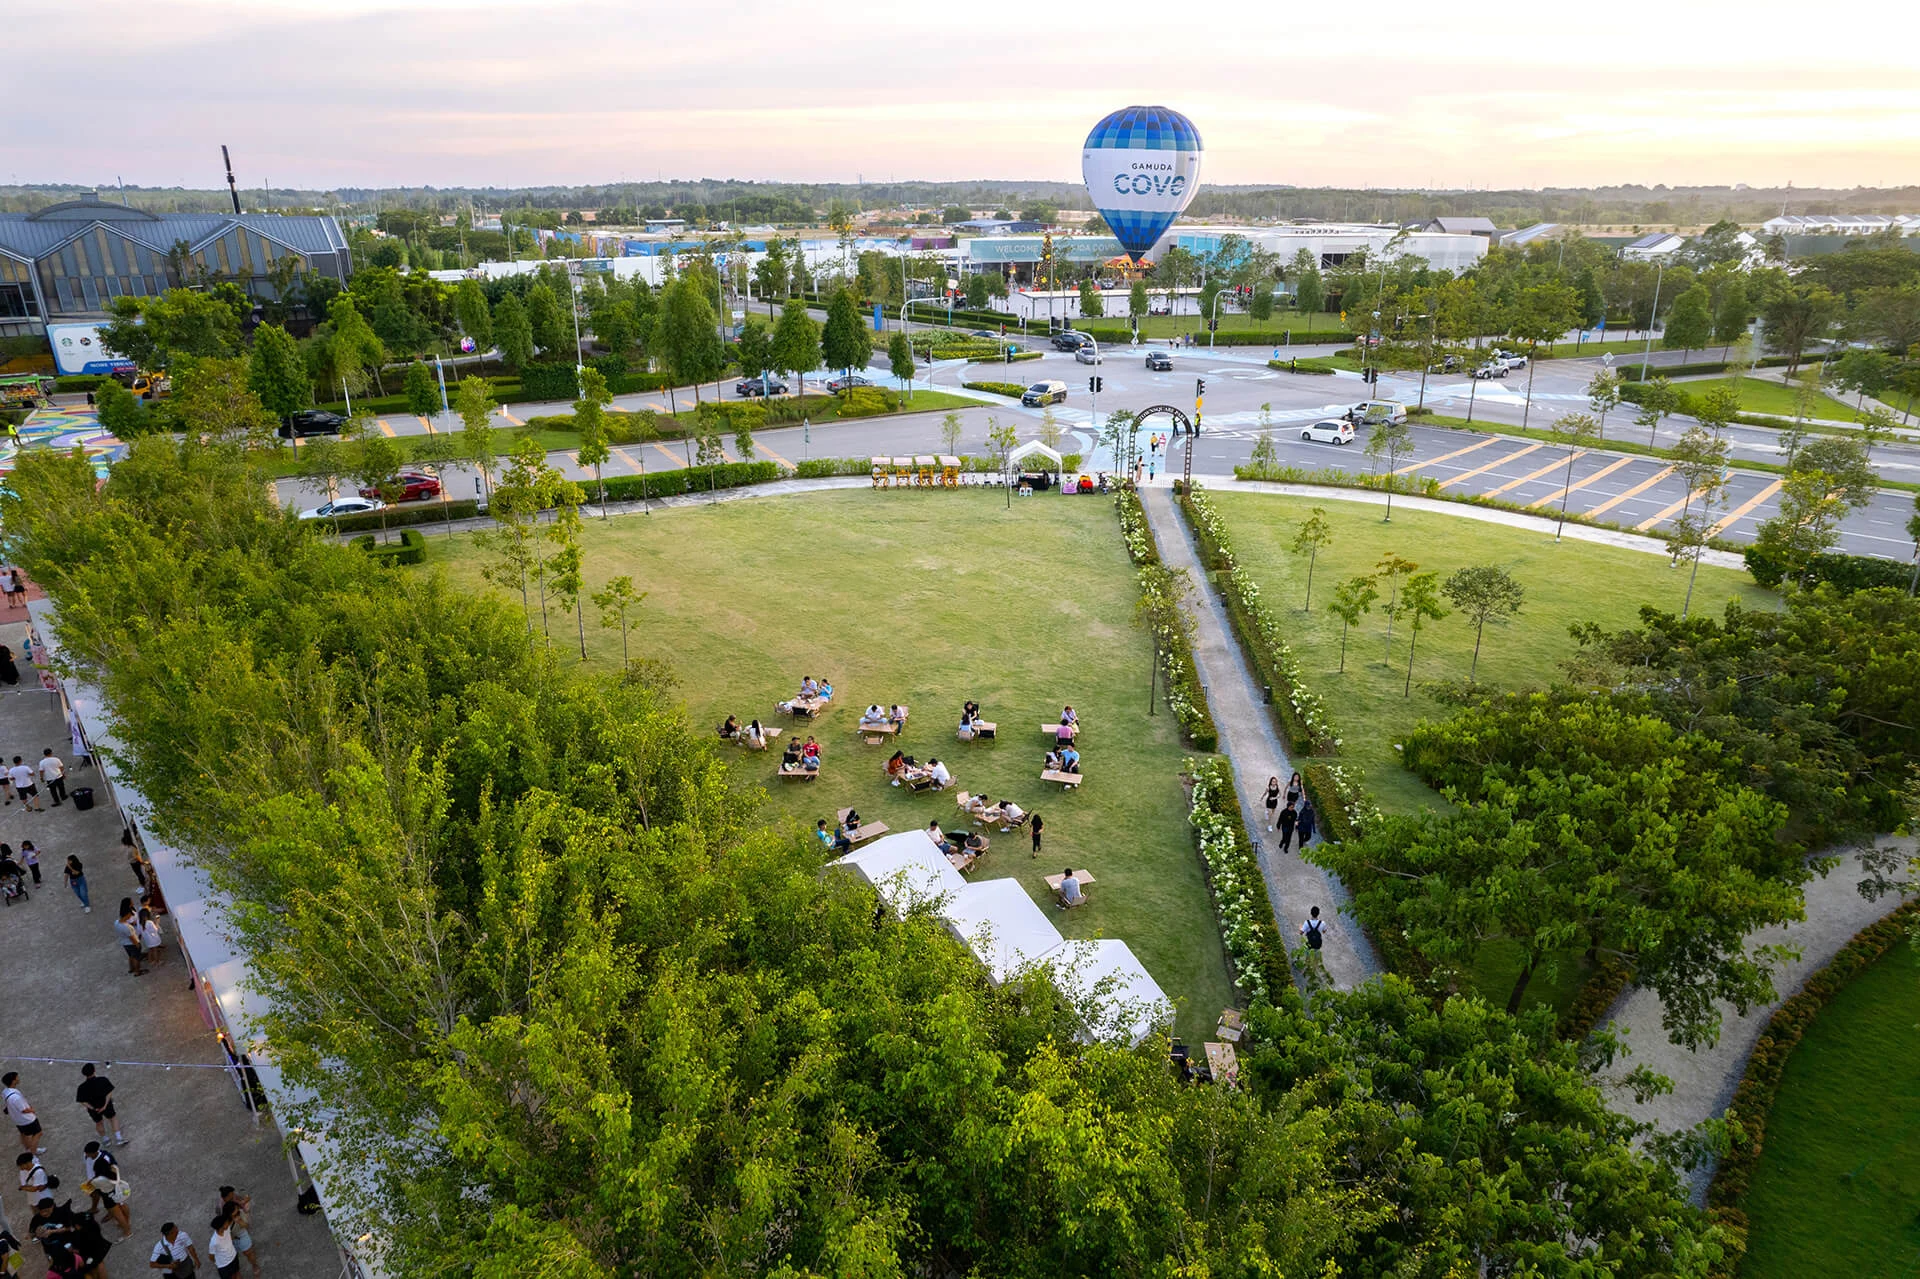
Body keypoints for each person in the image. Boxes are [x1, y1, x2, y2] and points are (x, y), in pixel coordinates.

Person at [74, 1067, 124, 1147]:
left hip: (93, 1109)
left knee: (99, 1122)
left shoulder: (81, 1087)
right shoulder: (103, 1080)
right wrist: (105, 1105)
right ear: (94, 1071)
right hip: (106, 1105)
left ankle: (106, 1140)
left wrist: (93, 1108)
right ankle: (119, 1138)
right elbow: (109, 1093)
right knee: (113, 1118)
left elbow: (82, 1101)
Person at [215, 1189, 258, 1279]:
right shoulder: (223, 1220)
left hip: (241, 1235)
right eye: (235, 1214)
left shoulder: (240, 1214)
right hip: (230, 1241)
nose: (237, 1214)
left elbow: (246, 1226)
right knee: (233, 1261)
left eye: (238, 1212)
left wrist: (240, 1221)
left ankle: (254, 1265)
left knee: (249, 1253)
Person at [3, 1075, 41, 1154]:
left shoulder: (5, 1092)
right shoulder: (16, 1098)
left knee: (23, 1134)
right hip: (27, 1119)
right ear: (13, 1081)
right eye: (16, 1078)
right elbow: (24, 1110)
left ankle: (28, 1149)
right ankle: (32, 1154)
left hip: (17, 1120)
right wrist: (32, 1110)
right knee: (38, 1133)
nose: (18, 1078)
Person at [117, 900, 147, 976]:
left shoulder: (117, 922)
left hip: (124, 943)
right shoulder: (127, 927)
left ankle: (131, 968)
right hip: (132, 944)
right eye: (130, 915)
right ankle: (137, 971)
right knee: (136, 958)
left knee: (130, 956)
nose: (131, 916)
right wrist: (138, 945)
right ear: (127, 915)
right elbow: (132, 938)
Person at [207, 1212, 240, 1279]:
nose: (228, 1223)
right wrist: (218, 1263)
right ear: (221, 1227)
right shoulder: (214, 1242)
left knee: (236, 1273)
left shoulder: (226, 1229)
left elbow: (229, 1235)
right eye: (226, 1222)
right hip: (224, 1265)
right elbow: (211, 1257)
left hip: (234, 1257)